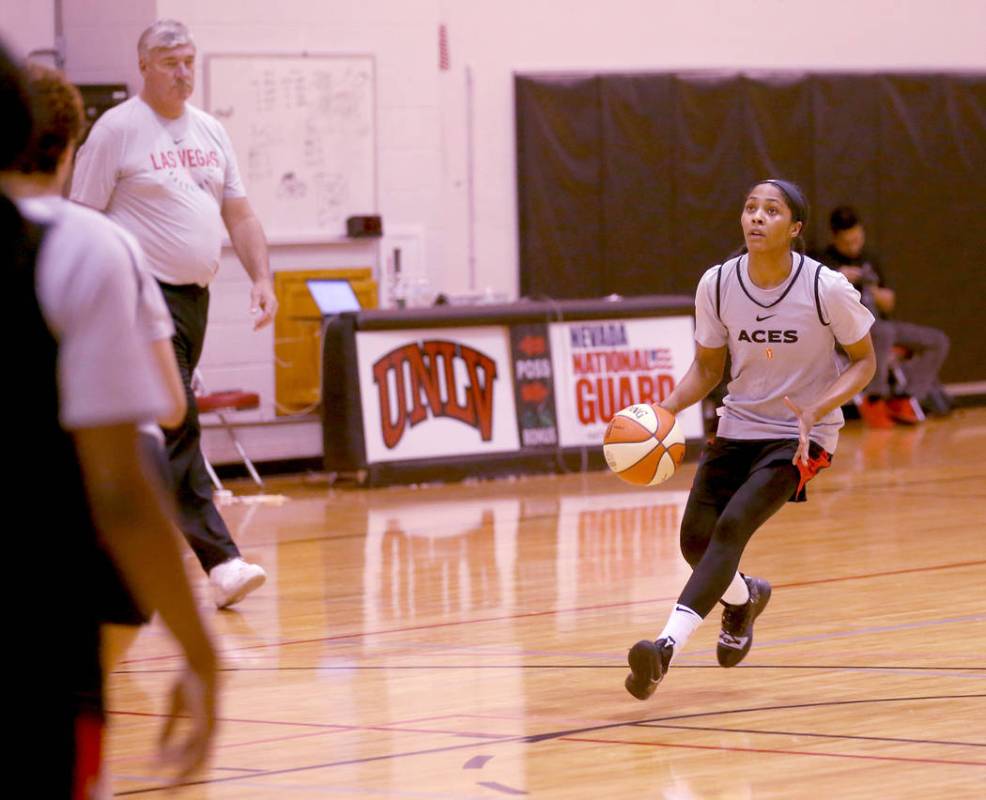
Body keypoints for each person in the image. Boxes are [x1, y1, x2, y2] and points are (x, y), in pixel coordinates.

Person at [2, 42, 217, 795]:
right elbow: (126, 479)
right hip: (43, 604)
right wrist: (199, 650)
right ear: (62, 143)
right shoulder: (87, 247)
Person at [624, 180, 877, 700]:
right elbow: (707, 368)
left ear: (796, 228)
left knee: (733, 526)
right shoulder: (716, 284)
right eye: (750, 208)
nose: (756, 217)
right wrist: (666, 411)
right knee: (695, 539)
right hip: (738, 425)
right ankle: (744, 600)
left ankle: (665, 648)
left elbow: (865, 361)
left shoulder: (825, 288)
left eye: (772, 210)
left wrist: (818, 407)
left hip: (800, 435)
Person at [70, 19, 277, 608]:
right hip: (139, 296)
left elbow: (239, 214)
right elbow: (82, 219)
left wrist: (262, 276)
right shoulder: (116, 131)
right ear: (144, 67)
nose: (183, 72)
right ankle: (222, 561)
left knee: (147, 432)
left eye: (189, 60)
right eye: (170, 62)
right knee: (178, 417)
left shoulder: (211, 131)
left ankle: (101, 551)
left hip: (193, 300)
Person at [822, 205, 951, 426]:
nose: (854, 246)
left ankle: (906, 397)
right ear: (835, 238)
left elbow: (889, 302)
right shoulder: (822, 260)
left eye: (858, 239)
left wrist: (876, 292)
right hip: (845, 333)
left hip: (880, 325)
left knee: (937, 341)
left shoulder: (870, 258)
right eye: (848, 242)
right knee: (882, 332)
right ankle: (874, 397)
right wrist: (838, 278)